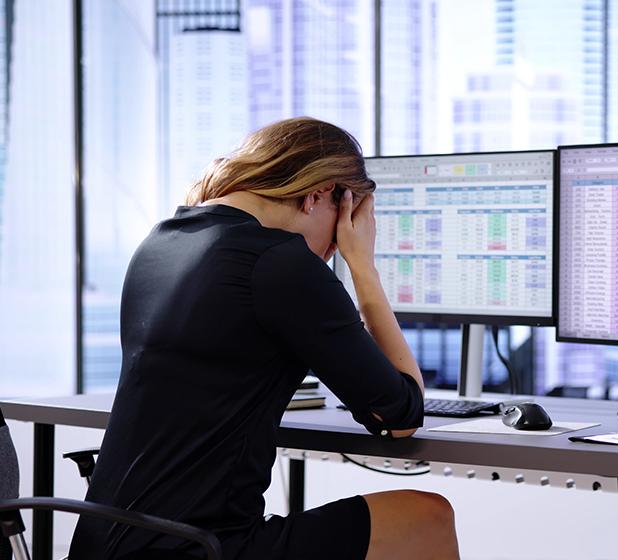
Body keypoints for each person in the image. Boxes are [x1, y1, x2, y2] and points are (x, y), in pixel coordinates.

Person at [69, 117, 460, 560]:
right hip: (196, 547)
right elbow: (401, 414)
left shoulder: (161, 242)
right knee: (427, 518)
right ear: (318, 195)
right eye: (343, 225)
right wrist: (363, 267)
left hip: (104, 542)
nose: (334, 248)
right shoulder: (280, 262)